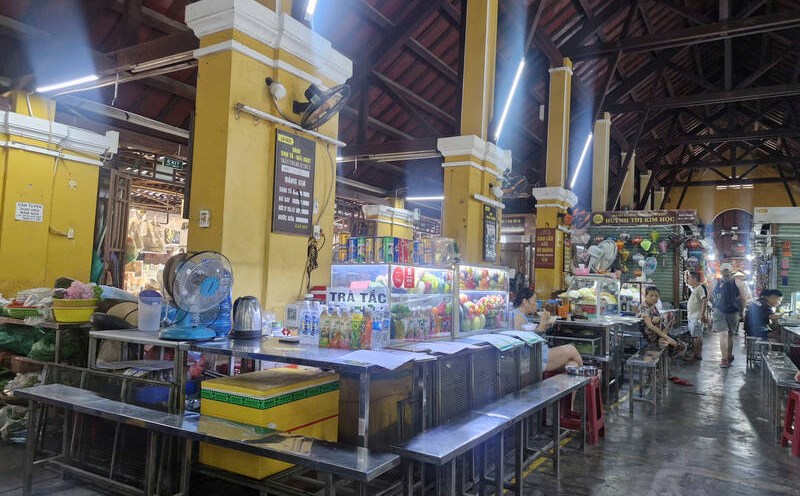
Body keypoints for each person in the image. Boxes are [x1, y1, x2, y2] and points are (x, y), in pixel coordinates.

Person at [512, 287, 583, 372]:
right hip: (535, 358)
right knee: (571, 349)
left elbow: (531, 334)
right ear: (525, 302)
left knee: (572, 364)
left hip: (540, 353)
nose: (536, 304)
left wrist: (545, 326)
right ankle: (586, 373)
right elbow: (527, 343)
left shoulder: (522, 315)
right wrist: (542, 325)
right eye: (534, 301)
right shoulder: (518, 317)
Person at [711, 263, 743, 368]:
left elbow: (709, 296)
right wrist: (742, 311)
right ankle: (728, 357)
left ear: (721, 271)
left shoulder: (715, 281)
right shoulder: (737, 281)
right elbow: (743, 297)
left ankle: (724, 360)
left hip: (719, 310)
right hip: (733, 311)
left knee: (723, 335)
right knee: (730, 336)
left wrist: (715, 305)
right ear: (730, 271)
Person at [639, 286, 680, 350]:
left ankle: (663, 338)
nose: (654, 298)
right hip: (650, 335)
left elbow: (659, 317)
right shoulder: (644, 307)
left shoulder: (653, 306)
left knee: (679, 345)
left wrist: (658, 317)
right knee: (669, 315)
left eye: (656, 296)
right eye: (651, 295)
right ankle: (663, 338)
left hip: (659, 333)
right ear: (645, 296)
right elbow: (650, 326)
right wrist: (668, 338)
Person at [684, 272, 708, 361]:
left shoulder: (701, 288)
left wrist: (701, 315)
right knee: (696, 336)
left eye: (689, 278)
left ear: (694, 279)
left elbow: (704, 300)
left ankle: (695, 353)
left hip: (696, 317)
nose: (688, 280)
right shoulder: (695, 289)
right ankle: (697, 353)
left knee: (696, 336)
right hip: (693, 316)